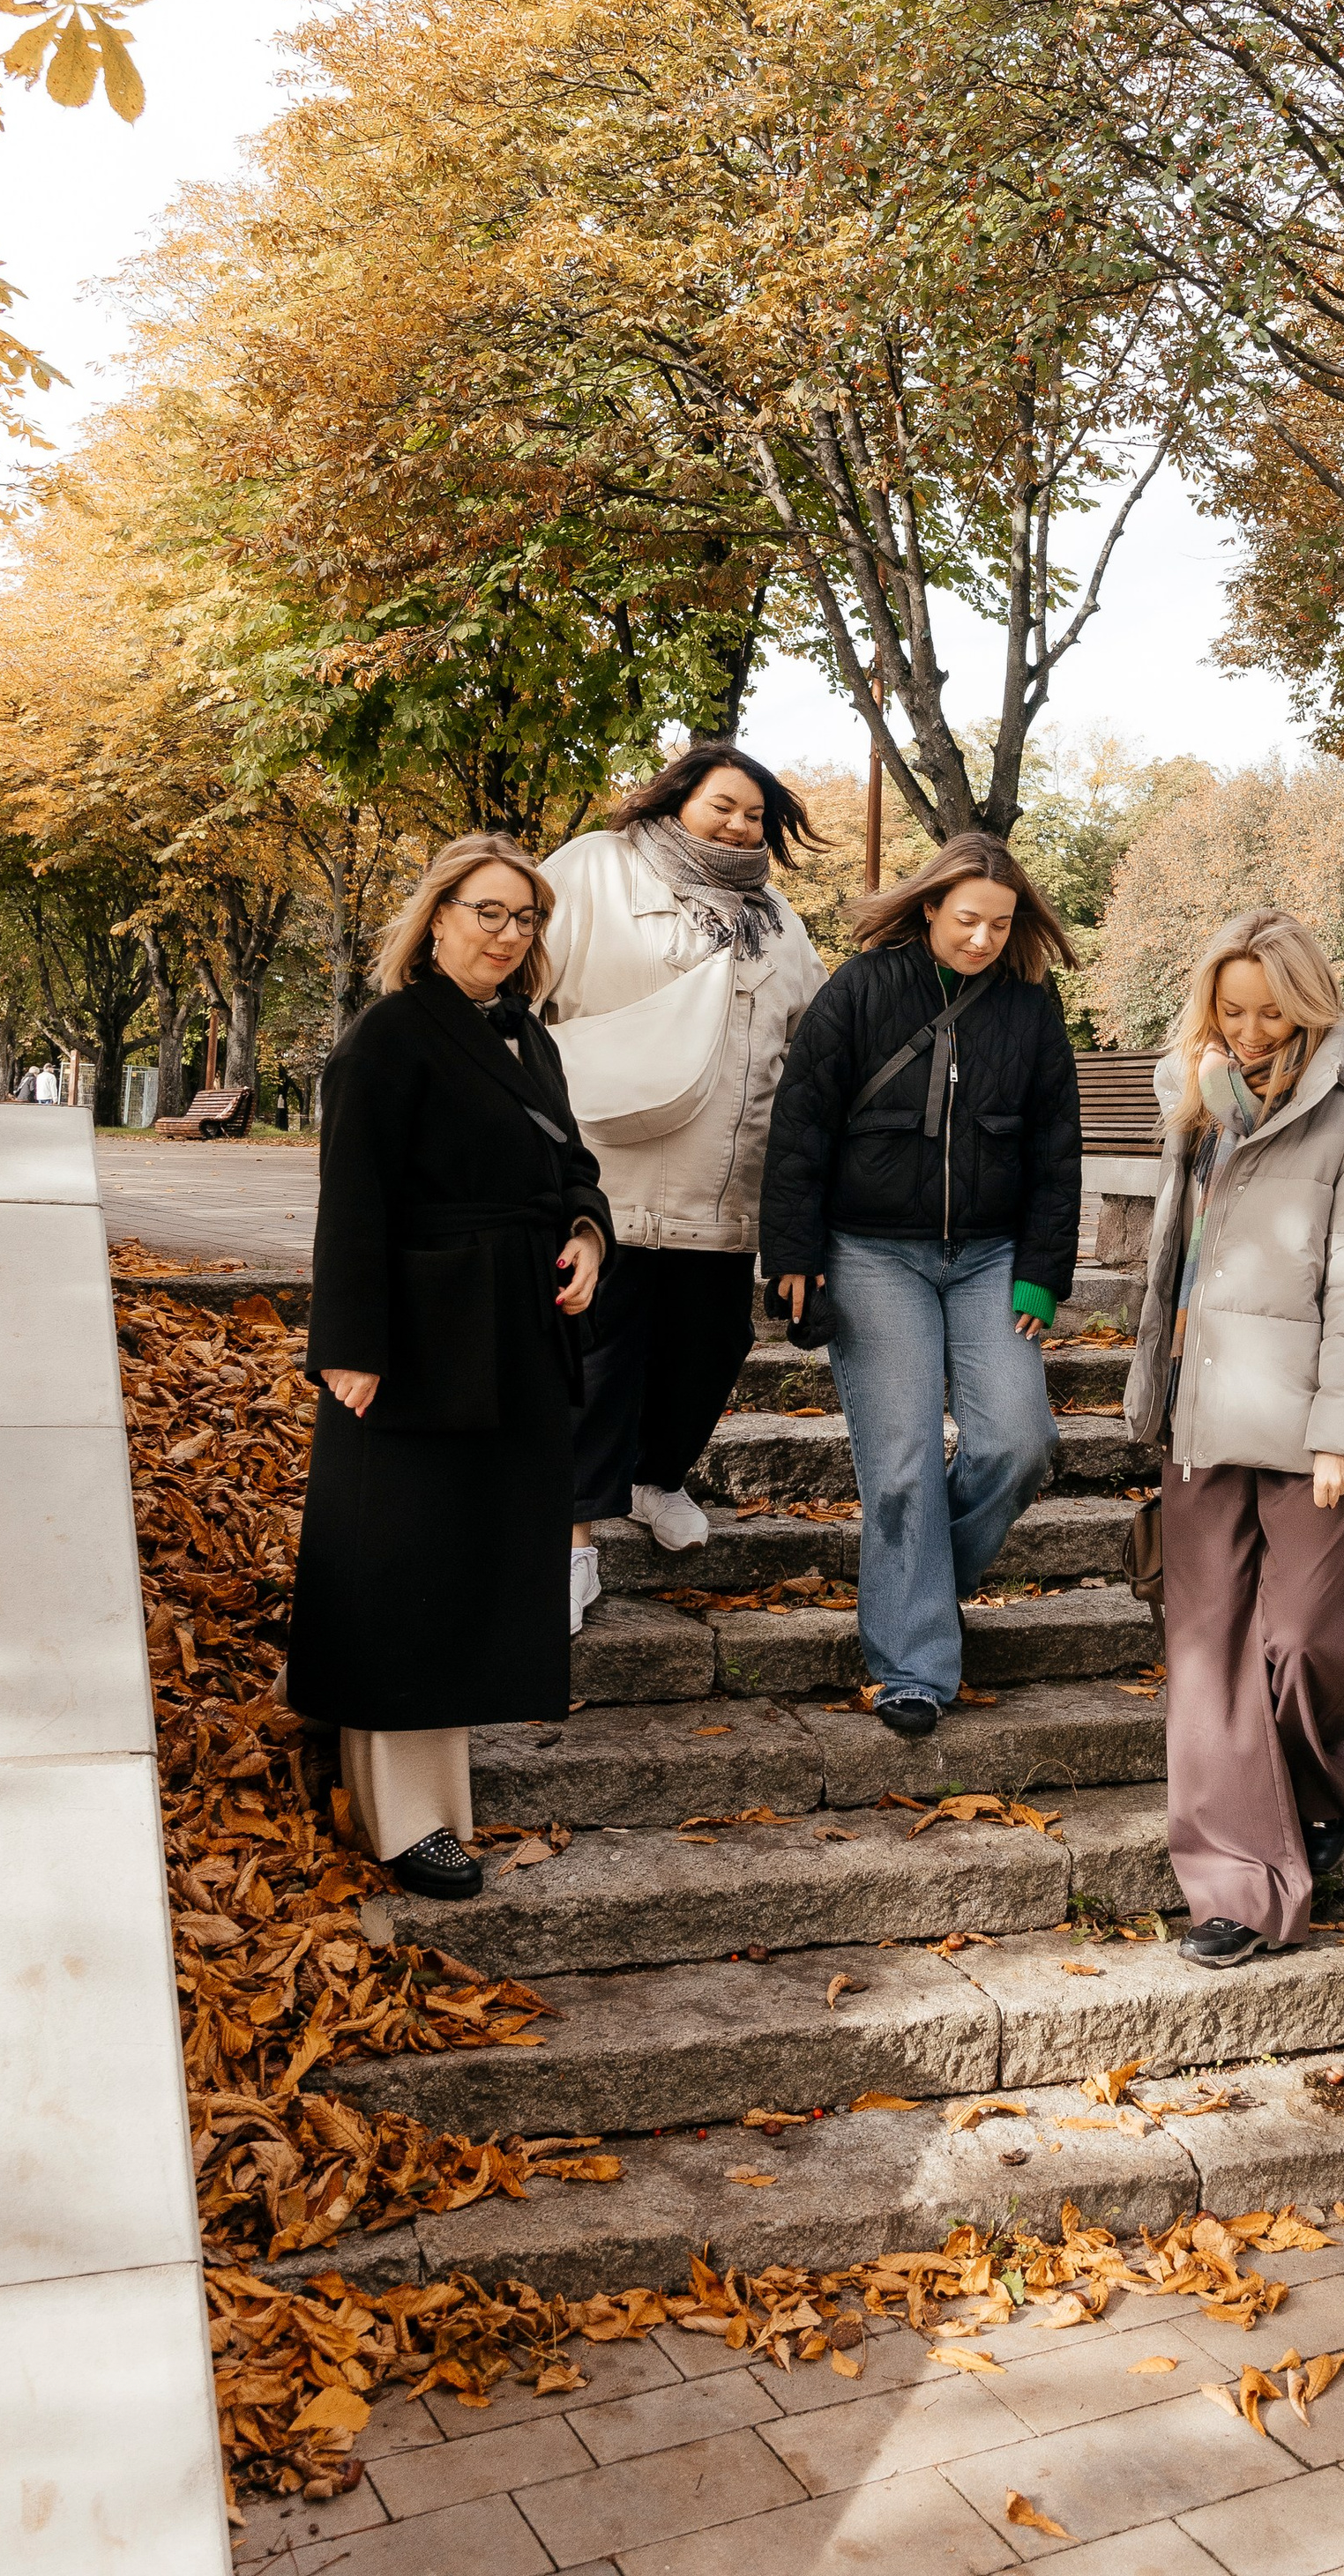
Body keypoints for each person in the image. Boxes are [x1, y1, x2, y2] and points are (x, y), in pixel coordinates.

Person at [287, 833, 609, 1901]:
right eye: (488, 912)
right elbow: (354, 1197)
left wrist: (587, 1234)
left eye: (526, 918)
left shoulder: (529, 1037)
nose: (508, 935)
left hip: (515, 1333)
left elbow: (572, 1166)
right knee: (404, 1567)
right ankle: (406, 1819)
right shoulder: (389, 1035)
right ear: (436, 921)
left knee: (464, 1566)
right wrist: (350, 1346)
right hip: (419, 1340)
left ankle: (431, 1799)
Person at [1124, 906, 1344, 1969]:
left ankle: (1309, 1791)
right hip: (1202, 1416)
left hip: (1315, 1430)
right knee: (1208, 1656)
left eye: (1271, 1012)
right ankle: (1238, 1886)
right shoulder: (1197, 1106)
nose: (1250, 1032)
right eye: (1232, 1010)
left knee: (1306, 1638)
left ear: (1311, 1008)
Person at [760, 831, 1082, 1735]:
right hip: (871, 1253)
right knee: (899, 1465)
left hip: (990, 1259)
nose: (983, 938)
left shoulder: (1029, 1004)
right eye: (968, 919)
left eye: (1000, 924)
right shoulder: (861, 988)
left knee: (1019, 1443)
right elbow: (801, 1125)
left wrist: (1041, 1272)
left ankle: (915, 1590)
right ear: (932, 905)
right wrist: (792, 1252)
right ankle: (913, 1667)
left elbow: (1057, 1147)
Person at [540, 742, 825, 1622]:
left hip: (728, 1185)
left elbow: (809, 1032)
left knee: (711, 1349)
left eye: (755, 814)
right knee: (600, 1361)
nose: (738, 825)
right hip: (611, 1174)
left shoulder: (776, 915)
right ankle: (571, 1543)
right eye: (722, 805)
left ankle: (655, 1479)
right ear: (676, 800)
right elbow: (526, 985)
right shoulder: (597, 867)